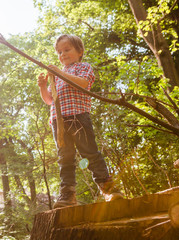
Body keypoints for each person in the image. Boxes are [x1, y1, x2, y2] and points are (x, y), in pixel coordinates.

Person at [37, 34, 123, 208]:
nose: (63, 54)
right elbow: (49, 100)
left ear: (80, 51)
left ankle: (110, 190)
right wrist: (42, 86)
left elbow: (83, 84)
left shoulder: (82, 67)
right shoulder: (56, 76)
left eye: (67, 49)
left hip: (78, 117)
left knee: (90, 153)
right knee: (64, 158)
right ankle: (68, 195)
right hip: (58, 121)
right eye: (59, 52)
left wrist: (59, 73)